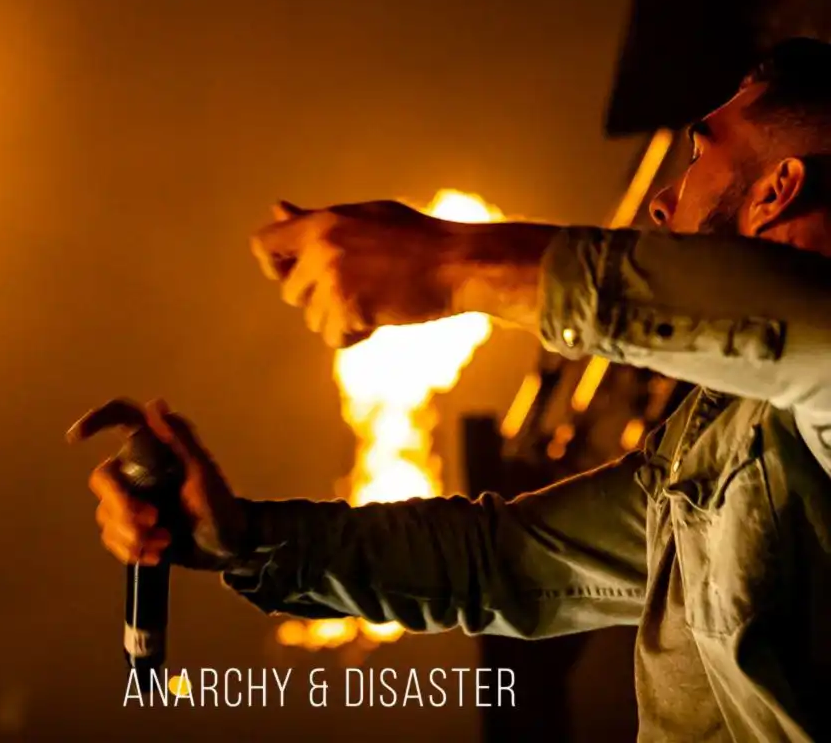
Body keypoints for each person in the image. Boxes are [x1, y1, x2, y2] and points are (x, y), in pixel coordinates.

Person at [72, 37, 831, 742]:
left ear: (779, 189)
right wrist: (245, 538)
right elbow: (502, 564)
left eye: (698, 154)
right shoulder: (714, 440)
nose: (661, 201)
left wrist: (450, 262)